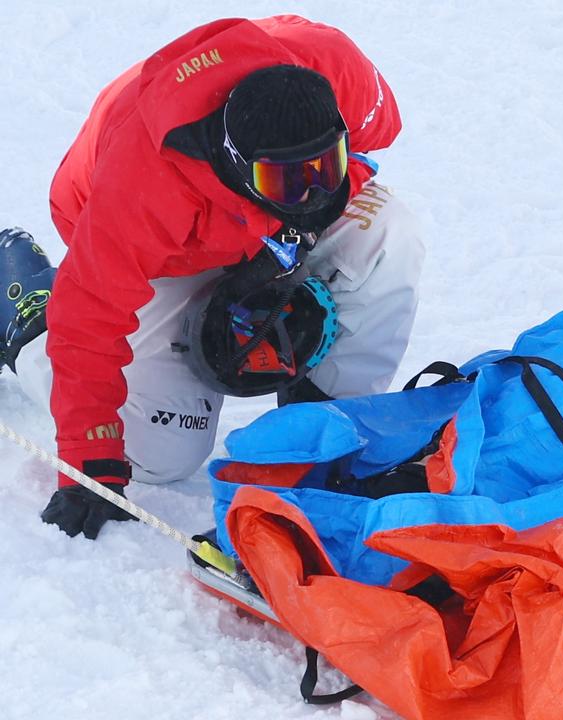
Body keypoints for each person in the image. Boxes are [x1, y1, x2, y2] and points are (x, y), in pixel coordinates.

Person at [0, 15, 425, 539]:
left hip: (252, 213)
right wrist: (92, 463)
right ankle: (29, 322)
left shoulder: (337, 70)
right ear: (236, 162)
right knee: (160, 456)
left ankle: (319, 425)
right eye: (288, 179)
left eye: (324, 167)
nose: (315, 192)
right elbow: (88, 321)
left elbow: (370, 140)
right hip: (162, 246)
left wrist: (307, 207)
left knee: (390, 232)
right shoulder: (140, 188)